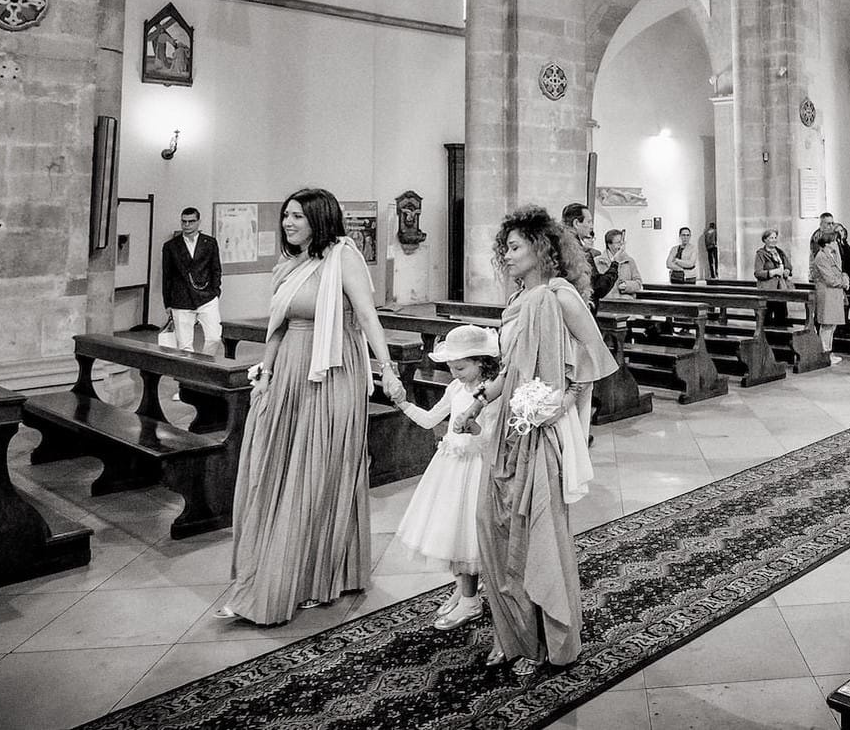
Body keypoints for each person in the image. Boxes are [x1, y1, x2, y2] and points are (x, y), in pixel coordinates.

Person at [220, 189, 406, 625]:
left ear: (320, 220)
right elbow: (278, 328)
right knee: (277, 470)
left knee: (318, 472)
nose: (288, 223)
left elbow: (366, 317)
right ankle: (281, 569)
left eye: (298, 217)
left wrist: (388, 370)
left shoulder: (344, 257)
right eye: (286, 216)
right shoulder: (289, 264)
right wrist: (265, 376)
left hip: (332, 373)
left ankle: (310, 575)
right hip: (288, 374)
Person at [474, 205, 619, 672]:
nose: (507, 256)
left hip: (539, 433)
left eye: (514, 247)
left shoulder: (559, 295)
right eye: (505, 248)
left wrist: (566, 398)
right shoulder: (518, 299)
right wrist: (479, 398)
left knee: (535, 533)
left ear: (540, 248)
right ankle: (511, 631)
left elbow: (594, 353)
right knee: (495, 529)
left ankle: (544, 638)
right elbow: (511, 368)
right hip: (506, 429)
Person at [392, 324, 501, 631]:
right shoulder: (455, 389)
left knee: (469, 536)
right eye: (451, 367)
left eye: (461, 367)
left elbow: (495, 441)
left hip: (476, 468)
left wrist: (476, 429)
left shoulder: (492, 392)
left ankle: (470, 600)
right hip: (450, 468)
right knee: (452, 533)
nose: (455, 373)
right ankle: (464, 589)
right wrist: (403, 403)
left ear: (482, 361)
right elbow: (430, 420)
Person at [160, 205, 223, 353]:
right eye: (184, 222)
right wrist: (167, 302)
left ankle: (205, 367)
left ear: (199, 222)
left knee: (214, 337)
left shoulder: (210, 243)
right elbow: (167, 275)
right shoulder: (171, 246)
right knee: (185, 345)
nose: (187, 225)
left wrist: (215, 291)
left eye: (191, 221)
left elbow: (216, 269)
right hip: (181, 299)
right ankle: (188, 374)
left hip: (207, 297)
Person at [562, 202, 617, 304]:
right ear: (576, 223)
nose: (591, 226)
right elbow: (597, 288)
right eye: (589, 222)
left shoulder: (557, 245)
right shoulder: (579, 251)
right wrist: (614, 266)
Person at [811, 232, 848, 363]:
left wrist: (845, 278)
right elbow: (829, 278)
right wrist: (843, 282)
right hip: (827, 293)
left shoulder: (831, 255)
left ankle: (829, 352)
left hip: (834, 293)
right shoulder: (821, 256)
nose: (837, 243)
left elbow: (840, 271)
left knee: (832, 325)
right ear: (827, 243)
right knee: (826, 325)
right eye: (834, 241)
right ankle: (824, 353)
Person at [604, 228, 643, 295]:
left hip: (625, 302)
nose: (621, 246)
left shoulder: (629, 261)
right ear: (609, 245)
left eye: (622, 243)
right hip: (605, 302)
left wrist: (627, 285)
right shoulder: (598, 261)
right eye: (618, 243)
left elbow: (638, 283)